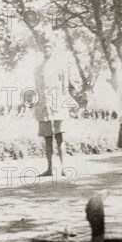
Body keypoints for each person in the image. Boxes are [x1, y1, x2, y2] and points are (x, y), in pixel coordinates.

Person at [34, 45, 77, 177]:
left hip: (58, 105)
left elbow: (66, 87)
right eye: (44, 47)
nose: (46, 49)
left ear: (53, 48)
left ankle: (64, 168)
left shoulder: (60, 66)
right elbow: (37, 88)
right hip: (43, 106)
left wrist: (66, 103)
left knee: (60, 137)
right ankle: (49, 168)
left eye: (49, 46)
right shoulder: (38, 68)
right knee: (47, 138)